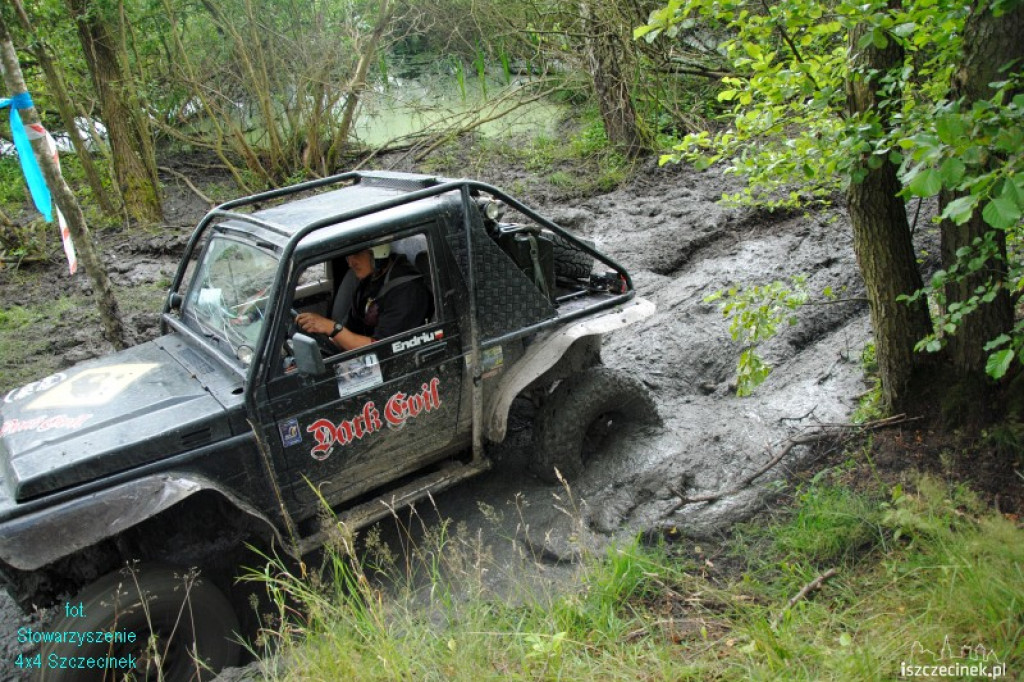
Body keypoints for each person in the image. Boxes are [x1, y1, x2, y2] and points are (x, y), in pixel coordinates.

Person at [295, 244, 432, 351]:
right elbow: (350, 329)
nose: (350, 263)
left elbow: (382, 348)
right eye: (348, 256)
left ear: (378, 252)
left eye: (357, 253)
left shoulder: (407, 291)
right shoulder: (369, 281)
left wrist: (331, 328)